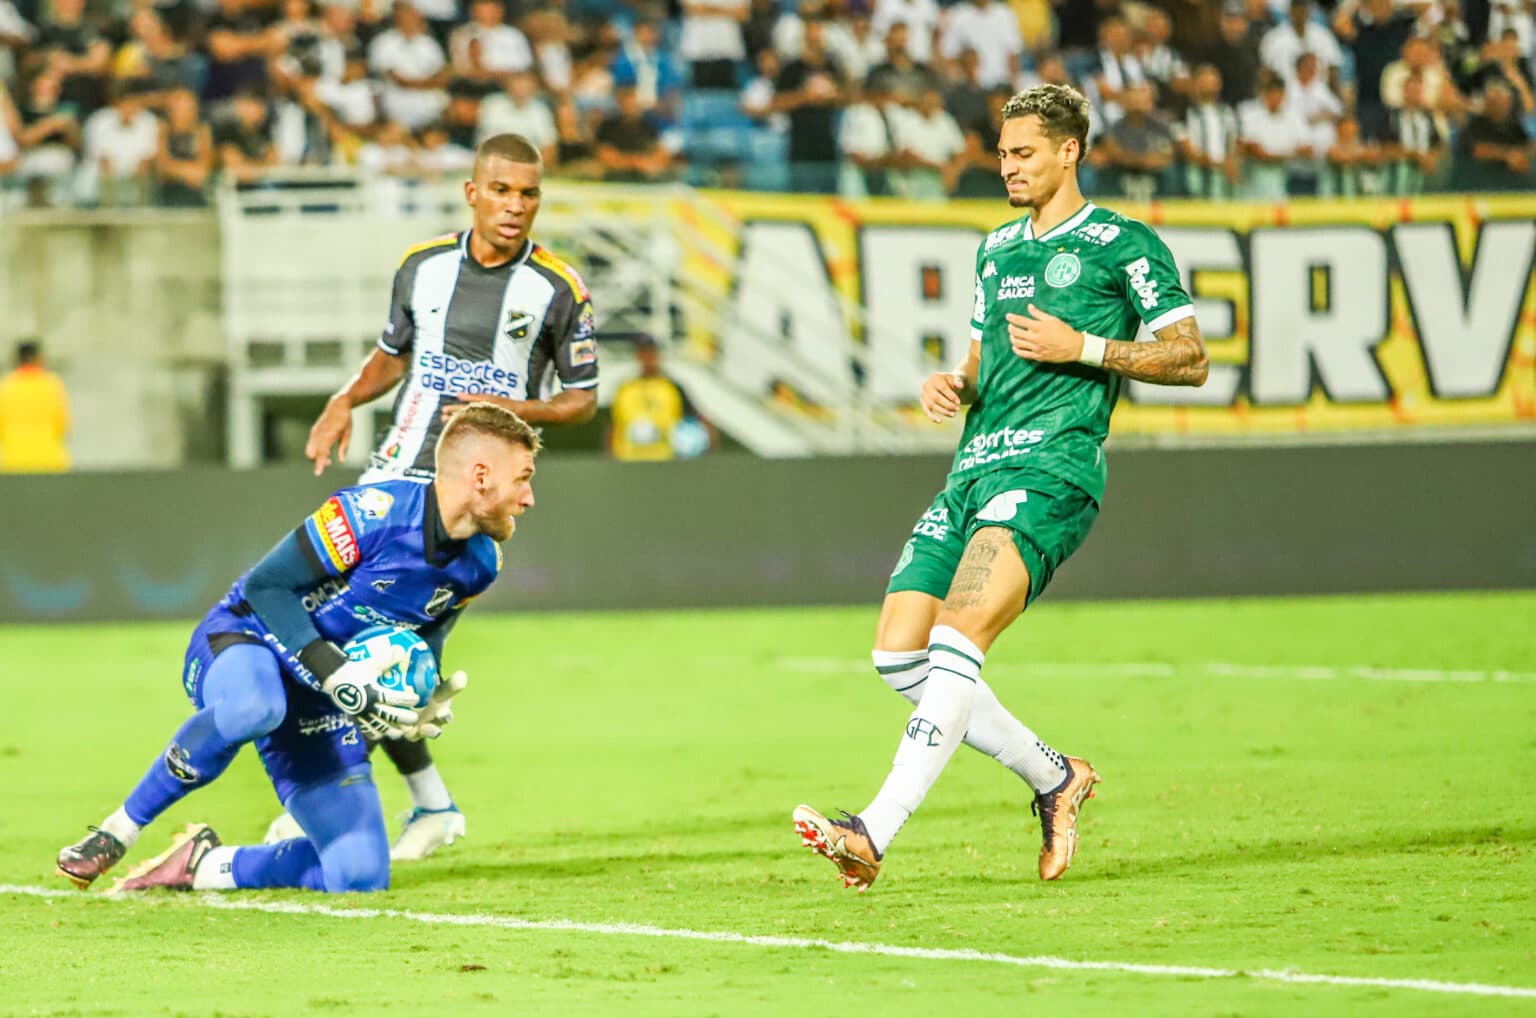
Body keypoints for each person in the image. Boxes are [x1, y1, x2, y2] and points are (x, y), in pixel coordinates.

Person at [792, 82, 1208, 890]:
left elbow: (1190, 359)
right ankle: (1056, 778)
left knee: (956, 638)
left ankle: (872, 831)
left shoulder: (1123, 243)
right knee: (897, 656)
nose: (1008, 166)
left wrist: (1084, 345)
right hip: (971, 470)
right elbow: (985, 363)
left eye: (1023, 153)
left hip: (1051, 470)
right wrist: (952, 384)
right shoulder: (996, 249)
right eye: (1003, 153)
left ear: (1069, 151)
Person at [54, 403, 539, 894]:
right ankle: (117, 830)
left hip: (318, 695)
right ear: (481, 476)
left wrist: (418, 699)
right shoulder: (373, 516)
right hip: (246, 640)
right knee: (255, 707)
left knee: (359, 875)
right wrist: (333, 670)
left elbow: (422, 640)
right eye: (522, 478)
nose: (529, 498)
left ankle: (202, 866)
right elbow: (267, 588)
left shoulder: (481, 563)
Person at [298, 132, 598, 861]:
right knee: (358, 647)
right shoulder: (422, 267)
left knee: (357, 646)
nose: (515, 207)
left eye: (528, 194)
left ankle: (339, 802)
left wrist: (512, 411)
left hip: (469, 501)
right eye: (501, 190)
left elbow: (582, 401)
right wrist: (343, 399)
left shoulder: (560, 290)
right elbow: (393, 355)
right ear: (472, 192)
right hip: (391, 477)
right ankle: (425, 805)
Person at [608, 336, 712, 460]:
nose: (647, 358)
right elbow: (614, 426)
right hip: (630, 460)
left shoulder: (673, 387)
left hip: (666, 461)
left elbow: (700, 420)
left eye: (651, 352)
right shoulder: (625, 389)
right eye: (643, 353)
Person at [0, 340, 70, 473]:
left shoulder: (5, 387)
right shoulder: (53, 386)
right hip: (50, 461)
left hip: (13, 462)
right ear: (40, 359)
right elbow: (63, 425)